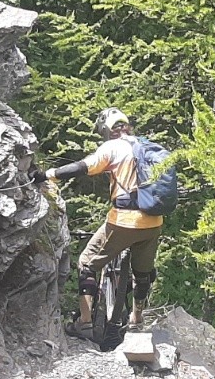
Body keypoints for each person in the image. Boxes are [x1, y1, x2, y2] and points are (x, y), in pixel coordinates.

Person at [45, 107, 161, 338]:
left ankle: (85, 323)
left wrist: (50, 174)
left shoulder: (113, 146)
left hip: (123, 220)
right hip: (154, 221)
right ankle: (137, 319)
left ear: (107, 130)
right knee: (143, 272)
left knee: (88, 263)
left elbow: (82, 167)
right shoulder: (148, 146)